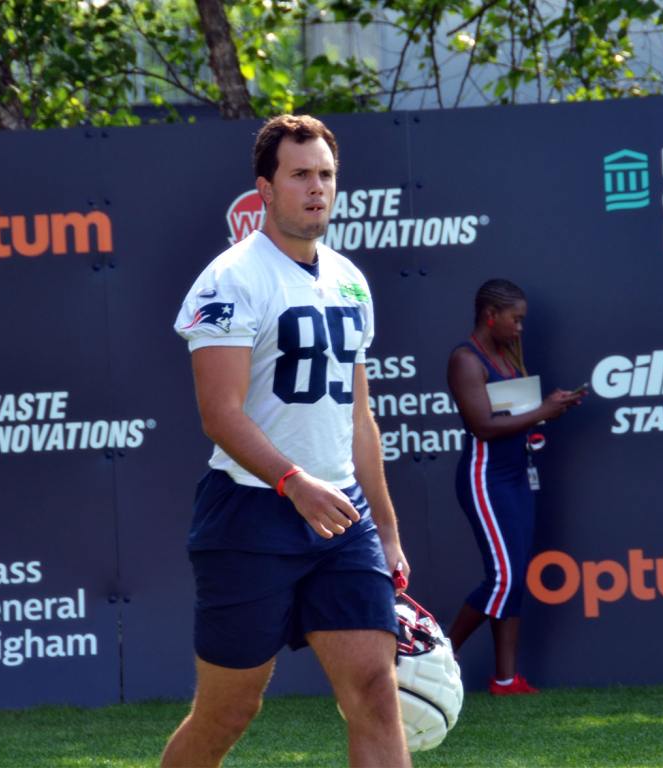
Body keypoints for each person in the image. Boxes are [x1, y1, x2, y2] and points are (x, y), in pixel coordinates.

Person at [165, 114, 411, 768]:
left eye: (326, 175)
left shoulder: (349, 280)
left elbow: (359, 416)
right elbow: (220, 414)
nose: (316, 189)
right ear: (264, 189)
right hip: (251, 512)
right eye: (300, 174)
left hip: (342, 516)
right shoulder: (231, 278)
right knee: (229, 710)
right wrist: (293, 483)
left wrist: (384, 529)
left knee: (375, 692)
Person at [446, 279, 582, 695]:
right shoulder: (465, 359)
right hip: (485, 479)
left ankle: (505, 678)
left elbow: (516, 414)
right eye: (516, 319)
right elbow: (483, 426)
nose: (521, 328)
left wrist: (551, 407)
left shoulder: (506, 355)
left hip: (518, 475)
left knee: (515, 577)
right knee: (503, 578)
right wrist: (543, 410)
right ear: (491, 315)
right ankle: (439, 655)